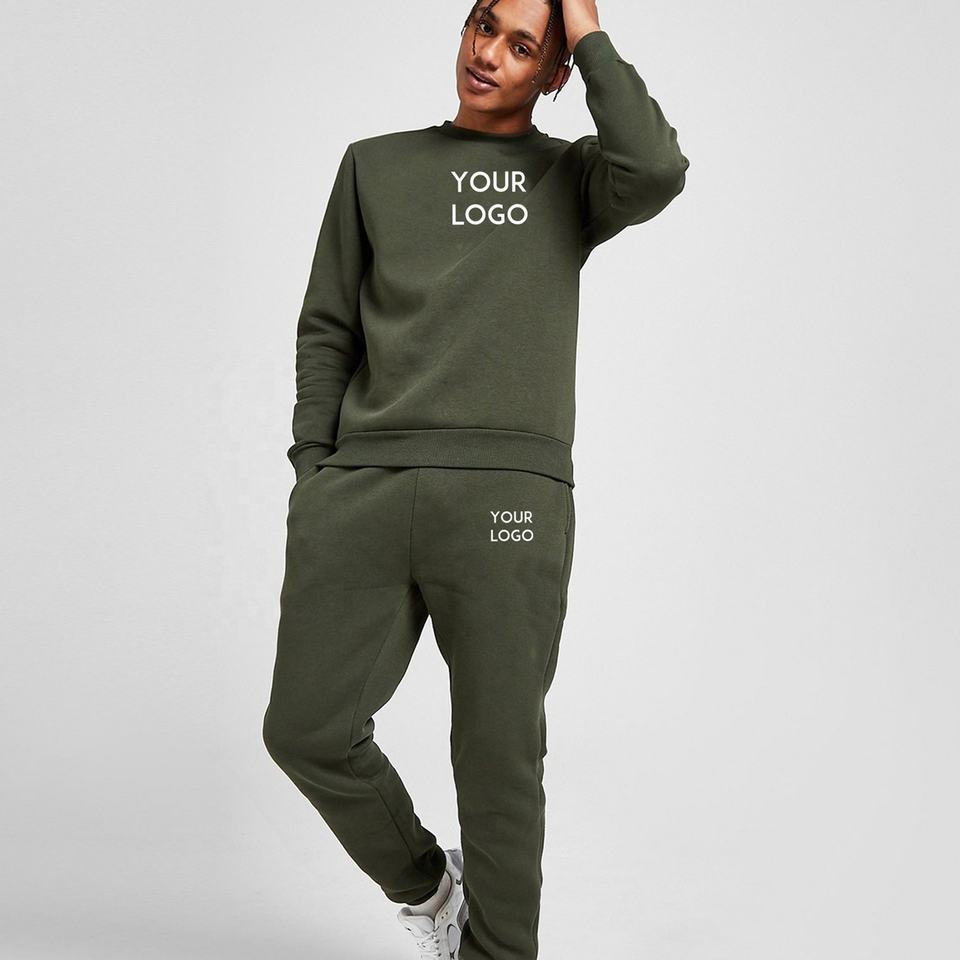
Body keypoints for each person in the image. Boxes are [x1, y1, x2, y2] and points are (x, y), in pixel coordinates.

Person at [261, 1, 689, 957]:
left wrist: (586, 28)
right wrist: (312, 471)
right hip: (362, 488)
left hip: (509, 497)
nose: (490, 54)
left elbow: (659, 167)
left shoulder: (576, 177)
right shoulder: (374, 165)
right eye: (483, 26)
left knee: (499, 757)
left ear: (553, 75)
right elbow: (327, 327)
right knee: (307, 731)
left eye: (522, 46)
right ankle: (430, 891)